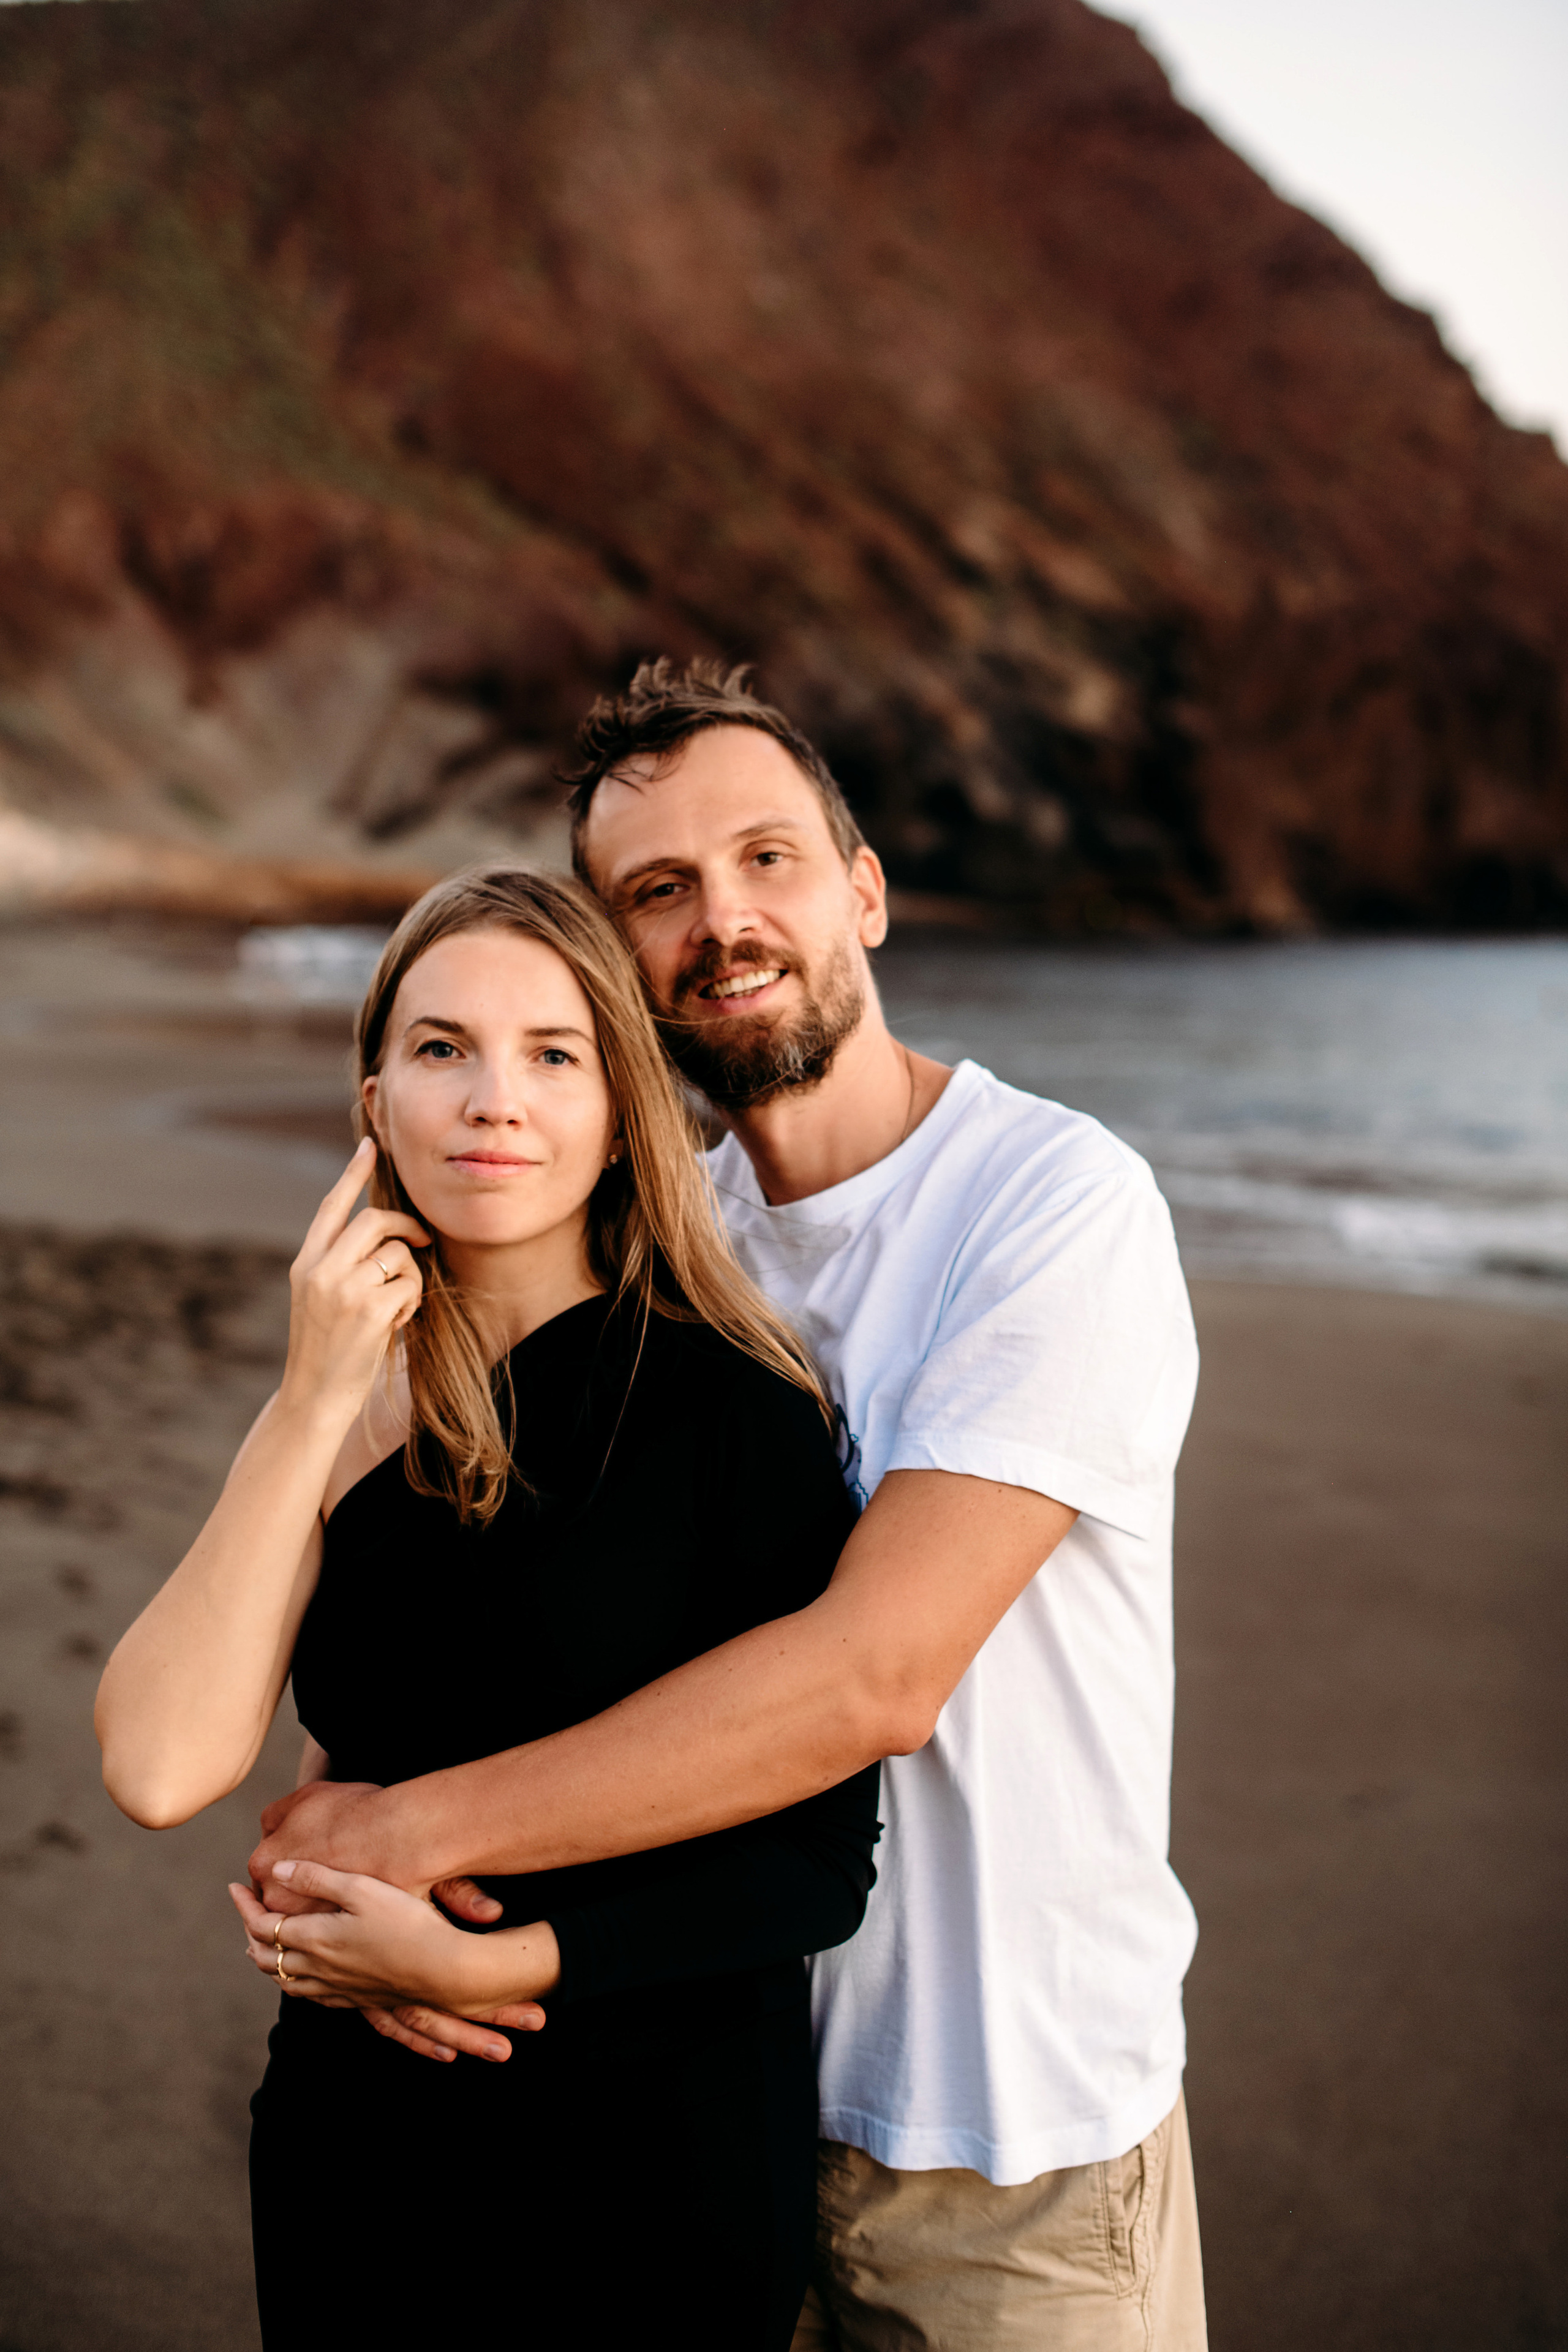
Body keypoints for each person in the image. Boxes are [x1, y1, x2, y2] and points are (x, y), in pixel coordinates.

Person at [249, 663, 1208, 2349]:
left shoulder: (1052, 1207)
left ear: (867, 891)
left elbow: (871, 1680)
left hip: (998, 2139)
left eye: (770, 860)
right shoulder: (651, 1244)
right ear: (616, 963)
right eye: (660, 891)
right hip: (686, 2078)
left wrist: (407, 1839)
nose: (726, 920)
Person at [94, 865, 881, 2352]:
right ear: (375, 1095)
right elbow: (157, 1764)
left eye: (552, 1054)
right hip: (359, 2144)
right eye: (442, 1049)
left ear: (615, 1105)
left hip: (651, 2155)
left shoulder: (733, 1406)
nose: (492, 1101)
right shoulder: (336, 1414)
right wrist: (310, 1397)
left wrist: (490, 1962)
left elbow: (818, 1863)